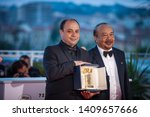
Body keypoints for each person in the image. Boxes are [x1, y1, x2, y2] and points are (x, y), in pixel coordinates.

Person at [43, 19, 91, 100]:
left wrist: (92, 92)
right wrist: (74, 64)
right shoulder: (51, 50)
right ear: (61, 32)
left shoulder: (85, 53)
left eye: (77, 31)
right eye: (69, 31)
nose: (74, 35)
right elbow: (52, 74)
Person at [88, 23, 131, 100]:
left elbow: (125, 82)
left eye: (111, 35)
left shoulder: (120, 54)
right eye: (105, 35)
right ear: (95, 37)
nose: (109, 38)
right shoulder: (88, 56)